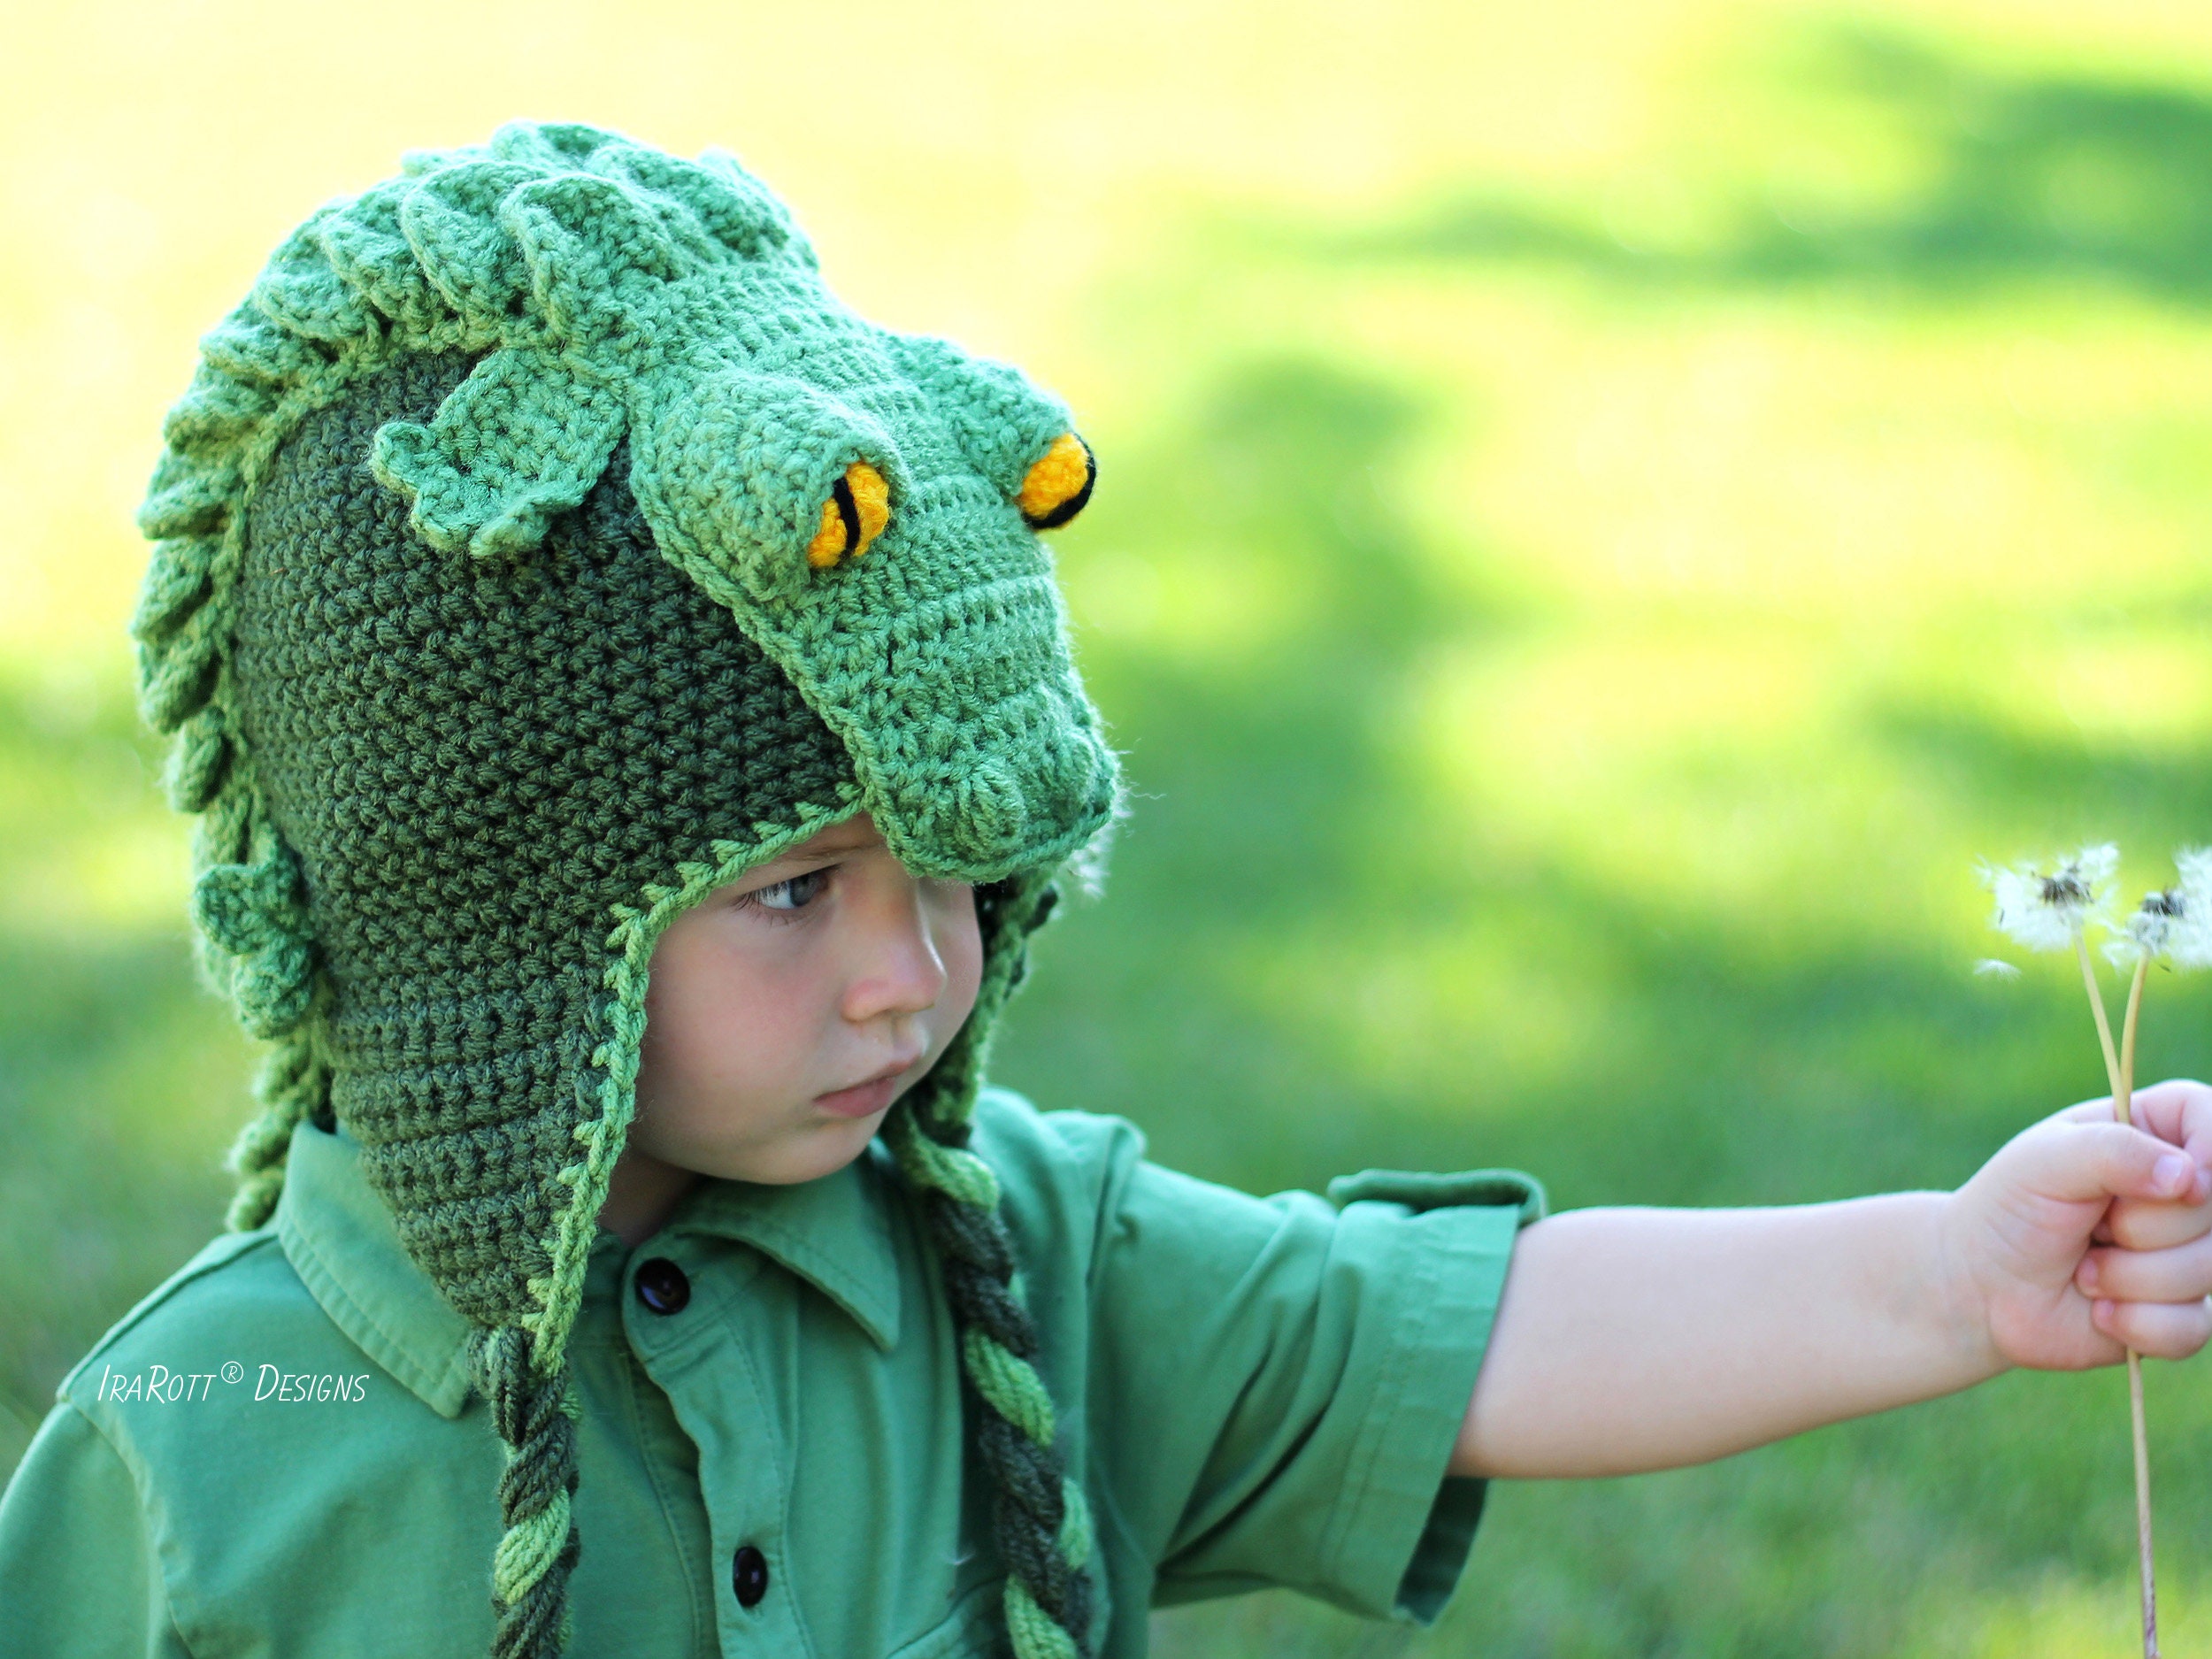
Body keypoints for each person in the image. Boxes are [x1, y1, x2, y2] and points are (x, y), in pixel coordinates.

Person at [1, 121, 2208, 1659]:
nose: (915, 971)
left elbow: (1433, 1334)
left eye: (947, 862)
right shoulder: (207, 1447)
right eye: (795, 888)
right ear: (487, 918)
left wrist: (1951, 1275)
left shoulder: (1008, 1273)